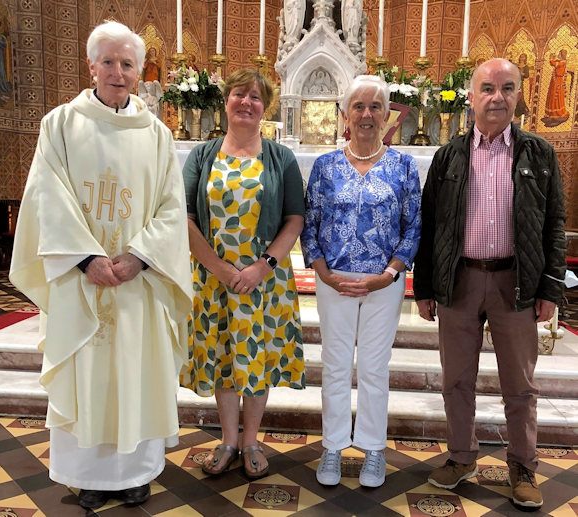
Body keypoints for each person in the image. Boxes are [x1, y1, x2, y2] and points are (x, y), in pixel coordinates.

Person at [9, 21, 193, 510]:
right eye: (108, 62)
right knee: (87, 374)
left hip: (137, 283)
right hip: (80, 280)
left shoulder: (156, 134)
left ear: (139, 72)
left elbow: (173, 208)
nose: (118, 71)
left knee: (136, 373)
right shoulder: (61, 125)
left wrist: (139, 257)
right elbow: (46, 194)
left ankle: (134, 473)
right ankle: (88, 475)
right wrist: (86, 257)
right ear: (90, 67)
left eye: (127, 63)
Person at [413, 58, 566, 510]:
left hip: (515, 282)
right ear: (471, 96)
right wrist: (425, 288)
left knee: (519, 386)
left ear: (519, 95)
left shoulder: (539, 154)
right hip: (460, 281)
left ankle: (522, 465)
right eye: (487, 88)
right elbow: (430, 224)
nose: (496, 96)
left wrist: (550, 288)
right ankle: (462, 457)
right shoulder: (448, 156)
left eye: (506, 87)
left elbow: (554, 223)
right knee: (456, 380)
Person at [181, 69, 306, 479]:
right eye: (239, 94)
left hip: (263, 282)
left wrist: (261, 266)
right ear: (226, 101)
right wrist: (219, 268)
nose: (247, 103)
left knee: (255, 359)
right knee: (223, 358)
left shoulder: (280, 157)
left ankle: (251, 440)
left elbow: (294, 219)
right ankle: (229, 439)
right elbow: (183, 218)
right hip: (213, 279)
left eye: (255, 97)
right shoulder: (203, 155)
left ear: (264, 106)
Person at [301, 75, 421, 488]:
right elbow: (310, 225)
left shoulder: (403, 166)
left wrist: (387, 274)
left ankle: (373, 449)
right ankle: (332, 446)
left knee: (373, 367)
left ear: (387, 115)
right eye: (359, 106)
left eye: (375, 107)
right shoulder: (325, 166)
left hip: (383, 283)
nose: (367, 114)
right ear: (344, 115)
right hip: (333, 281)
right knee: (334, 366)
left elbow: (413, 226)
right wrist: (324, 274)